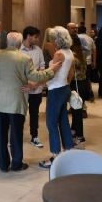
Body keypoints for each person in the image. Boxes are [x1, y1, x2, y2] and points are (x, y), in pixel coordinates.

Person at [0, 32, 59, 172]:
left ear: (7, 42)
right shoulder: (24, 58)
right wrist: (52, 70)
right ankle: (16, 163)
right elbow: (35, 76)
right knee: (16, 133)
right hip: (16, 101)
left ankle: (2, 164)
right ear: (19, 44)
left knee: (0, 134)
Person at [39, 26, 76, 168]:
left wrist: (37, 84)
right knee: (63, 121)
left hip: (55, 90)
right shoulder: (69, 52)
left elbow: (51, 74)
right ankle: (68, 151)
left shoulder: (59, 54)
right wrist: (65, 84)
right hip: (64, 88)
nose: (52, 41)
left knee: (51, 123)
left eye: (53, 38)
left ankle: (55, 156)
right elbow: (71, 73)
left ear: (58, 39)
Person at [19, 26, 46, 148]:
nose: (37, 39)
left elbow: (42, 68)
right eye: (35, 37)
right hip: (22, 89)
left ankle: (34, 136)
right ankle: (16, 137)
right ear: (28, 36)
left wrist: (35, 84)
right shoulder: (18, 50)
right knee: (20, 114)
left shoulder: (38, 50)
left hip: (36, 89)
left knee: (34, 114)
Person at [69, 35, 92, 144]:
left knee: (76, 112)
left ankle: (80, 135)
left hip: (76, 84)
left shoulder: (72, 57)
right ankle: (73, 130)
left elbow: (71, 74)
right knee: (77, 109)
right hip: (84, 84)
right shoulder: (82, 54)